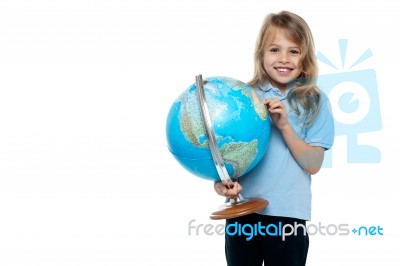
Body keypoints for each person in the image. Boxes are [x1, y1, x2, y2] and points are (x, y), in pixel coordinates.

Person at [214, 10, 334, 266]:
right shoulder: (243, 97)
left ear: (305, 58)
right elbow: (226, 158)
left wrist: (285, 126)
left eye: (294, 51)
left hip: (288, 216)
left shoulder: (315, 101)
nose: (284, 59)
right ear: (261, 54)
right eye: (274, 50)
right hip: (241, 214)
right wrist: (222, 184)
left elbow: (313, 164)